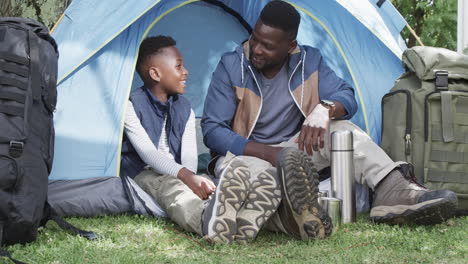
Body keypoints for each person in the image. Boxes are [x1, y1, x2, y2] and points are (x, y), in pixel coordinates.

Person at [201, 1, 458, 240]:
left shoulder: (309, 60)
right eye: (255, 39)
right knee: (248, 175)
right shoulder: (232, 65)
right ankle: (288, 212)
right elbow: (213, 130)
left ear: (290, 47)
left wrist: (324, 108)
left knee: (344, 130)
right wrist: (269, 153)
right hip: (247, 155)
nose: (256, 49)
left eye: (267, 46)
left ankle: (393, 191)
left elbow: (347, 96)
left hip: (293, 153)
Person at [120, 36, 280, 244]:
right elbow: (148, 155)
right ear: (155, 73)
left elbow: (188, 159)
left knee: (210, 187)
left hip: (179, 172)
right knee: (174, 191)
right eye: (179, 66)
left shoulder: (184, 108)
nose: (186, 71)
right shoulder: (131, 105)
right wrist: (186, 177)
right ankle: (205, 221)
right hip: (143, 173)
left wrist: (194, 181)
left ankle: (244, 220)